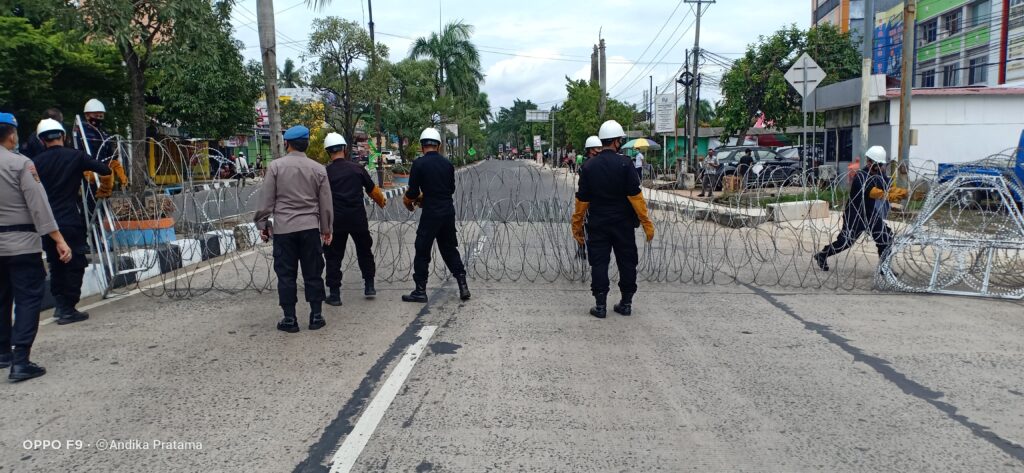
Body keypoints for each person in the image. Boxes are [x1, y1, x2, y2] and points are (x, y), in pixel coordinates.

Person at [0, 112, 73, 381]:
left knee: (1, 298)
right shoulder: (21, 164)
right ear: (12, 134)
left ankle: (2, 353)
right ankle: (20, 361)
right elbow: (39, 205)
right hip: (21, 244)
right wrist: (58, 239)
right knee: (29, 298)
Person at [254, 126, 333, 333]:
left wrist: (263, 225)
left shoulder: (276, 167)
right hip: (309, 228)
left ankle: (290, 319)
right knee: (313, 273)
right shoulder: (318, 169)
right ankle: (316, 316)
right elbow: (325, 203)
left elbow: (266, 200)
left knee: (286, 275)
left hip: (284, 230)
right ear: (306, 144)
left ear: (287, 144)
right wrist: (326, 228)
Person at [32, 119, 112, 325]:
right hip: (69, 220)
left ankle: (60, 306)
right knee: (75, 263)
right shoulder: (76, 156)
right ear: (63, 136)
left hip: (47, 223)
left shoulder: (35, 162)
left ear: (42, 140)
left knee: (55, 263)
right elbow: (104, 169)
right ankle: (68, 308)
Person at [571, 120, 654, 319]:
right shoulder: (626, 163)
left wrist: (577, 226)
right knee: (627, 261)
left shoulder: (589, 166)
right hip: (623, 224)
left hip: (598, 224)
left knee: (599, 262)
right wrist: (646, 223)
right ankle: (626, 303)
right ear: (617, 142)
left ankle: (600, 306)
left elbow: (582, 201)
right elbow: (636, 198)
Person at [400, 127, 470, 303]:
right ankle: (463, 284)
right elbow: (451, 189)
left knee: (422, 249)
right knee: (448, 249)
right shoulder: (447, 164)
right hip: (447, 211)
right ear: (438, 146)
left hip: (430, 213)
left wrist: (409, 200)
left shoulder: (419, 164)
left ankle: (420, 291)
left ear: (422, 146)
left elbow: (413, 191)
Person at [814, 146, 907, 272]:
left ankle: (884, 268)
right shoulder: (860, 177)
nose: (881, 167)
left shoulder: (879, 174)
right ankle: (822, 254)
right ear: (870, 163)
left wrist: (907, 193)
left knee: (885, 237)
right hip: (855, 215)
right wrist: (895, 195)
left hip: (869, 213)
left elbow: (889, 187)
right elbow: (876, 193)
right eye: (878, 165)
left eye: (882, 165)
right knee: (845, 242)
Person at [322, 132, 387, 306]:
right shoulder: (357, 169)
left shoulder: (325, 172)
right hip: (358, 218)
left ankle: (334, 294)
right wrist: (382, 202)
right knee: (364, 251)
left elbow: (320, 197)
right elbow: (373, 190)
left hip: (336, 221)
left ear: (328, 151)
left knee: (334, 256)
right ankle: (369, 286)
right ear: (344, 148)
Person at [75, 99, 127, 199]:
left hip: (103, 174)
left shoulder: (104, 134)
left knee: (103, 201)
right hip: (87, 174)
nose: (99, 118)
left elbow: (110, 155)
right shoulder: (81, 133)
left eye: (101, 116)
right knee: (90, 202)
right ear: (87, 116)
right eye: (95, 116)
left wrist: (115, 166)